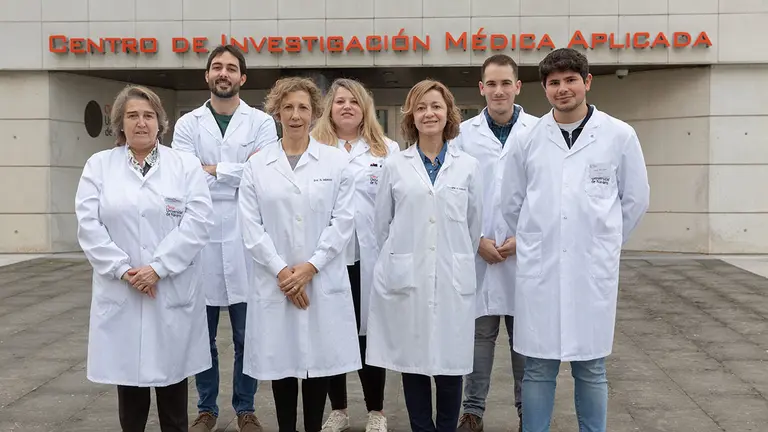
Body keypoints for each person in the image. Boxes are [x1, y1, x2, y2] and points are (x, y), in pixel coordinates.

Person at [500, 48, 650, 432]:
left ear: (587, 82)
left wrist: (602, 241)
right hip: (541, 269)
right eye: (554, 83)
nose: (562, 89)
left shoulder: (618, 135)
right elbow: (511, 202)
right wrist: (539, 238)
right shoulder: (527, 139)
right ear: (544, 88)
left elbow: (634, 200)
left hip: (591, 268)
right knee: (538, 366)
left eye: (570, 80)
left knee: (591, 366)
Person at [74, 85, 214, 432]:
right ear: (120, 123)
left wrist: (157, 268)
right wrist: (124, 271)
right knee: (131, 398)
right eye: (132, 116)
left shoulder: (184, 165)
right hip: (123, 290)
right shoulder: (99, 166)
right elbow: (89, 225)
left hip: (170, 289)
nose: (141, 123)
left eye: (148, 115)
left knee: (173, 394)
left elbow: (198, 223)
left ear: (160, 122)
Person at [238, 77, 361, 432]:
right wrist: (282, 272)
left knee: (317, 365)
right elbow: (251, 227)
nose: (295, 115)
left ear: (314, 113)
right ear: (276, 112)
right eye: (288, 107)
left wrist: (310, 267)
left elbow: (343, 222)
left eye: (303, 108)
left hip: (319, 278)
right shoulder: (257, 165)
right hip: (275, 281)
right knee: (283, 366)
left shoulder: (336, 162)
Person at [366, 79, 483, 432]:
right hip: (409, 278)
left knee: (450, 364)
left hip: (451, 276)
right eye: (421, 107)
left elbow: (473, 226)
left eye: (436, 106)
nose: (429, 113)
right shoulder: (394, 165)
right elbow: (382, 226)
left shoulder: (468, 166)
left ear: (448, 113)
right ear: (411, 117)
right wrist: (405, 258)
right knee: (413, 362)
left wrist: (451, 257)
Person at [172, 44, 278, 432]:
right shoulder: (187, 124)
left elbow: (263, 173)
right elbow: (184, 176)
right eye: (217, 67)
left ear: (242, 78)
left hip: (245, 237)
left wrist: (212, 169)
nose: (223, 73)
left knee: (247, 336)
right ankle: (207, 409)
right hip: (199, 238)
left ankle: (245, 408)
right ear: (207, 75)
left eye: (231, 68)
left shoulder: (262, 122)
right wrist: (235, 170)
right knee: (203, 337)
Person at [450, 54, 538, 432]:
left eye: (505, 83)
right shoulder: (463, 135)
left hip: (525, 252)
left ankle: (527, 413)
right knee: (478, 337)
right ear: (481, 88)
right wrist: (476, 240)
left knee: (525, 340)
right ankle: (472, 412)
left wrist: (525, 238)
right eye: (491, 84)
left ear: (517, 87)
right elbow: (454, 193)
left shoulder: (539, 131)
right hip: (479, 252)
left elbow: (547, 194)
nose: (498, 91)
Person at [311, 78, 400, 432]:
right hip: (328, 257)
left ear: (365, 109)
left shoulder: (387, 150)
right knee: (332, 332)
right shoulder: (315, 148)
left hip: (369, 257)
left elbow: (397, 204)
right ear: (329, 109)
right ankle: (339, 409)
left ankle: (376, 411)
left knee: (369, 335)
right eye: (339, 101)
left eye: (354, 101)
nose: (347, 106)